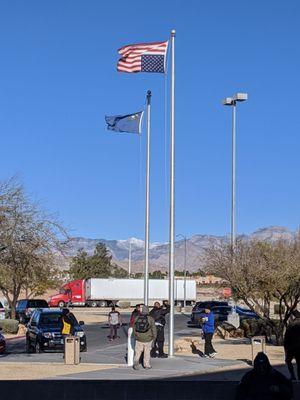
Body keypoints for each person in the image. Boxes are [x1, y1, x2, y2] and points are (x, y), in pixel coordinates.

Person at [132, 305, 156, 370]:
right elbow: (154, 329)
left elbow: (134, 328)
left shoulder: (137, 318)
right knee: (147, 352)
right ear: (148, 311)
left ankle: (136, 361)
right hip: (148, 338)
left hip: (139, 338)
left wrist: (135, 335)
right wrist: (154, 338)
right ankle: (146, 365)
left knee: (138, 352)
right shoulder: (150, 319)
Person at [284, 310, 300, 380]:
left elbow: (286, 338)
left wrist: (286, 348)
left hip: (292, 347)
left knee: (288, 361)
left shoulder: (291, 324)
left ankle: (293, 376)